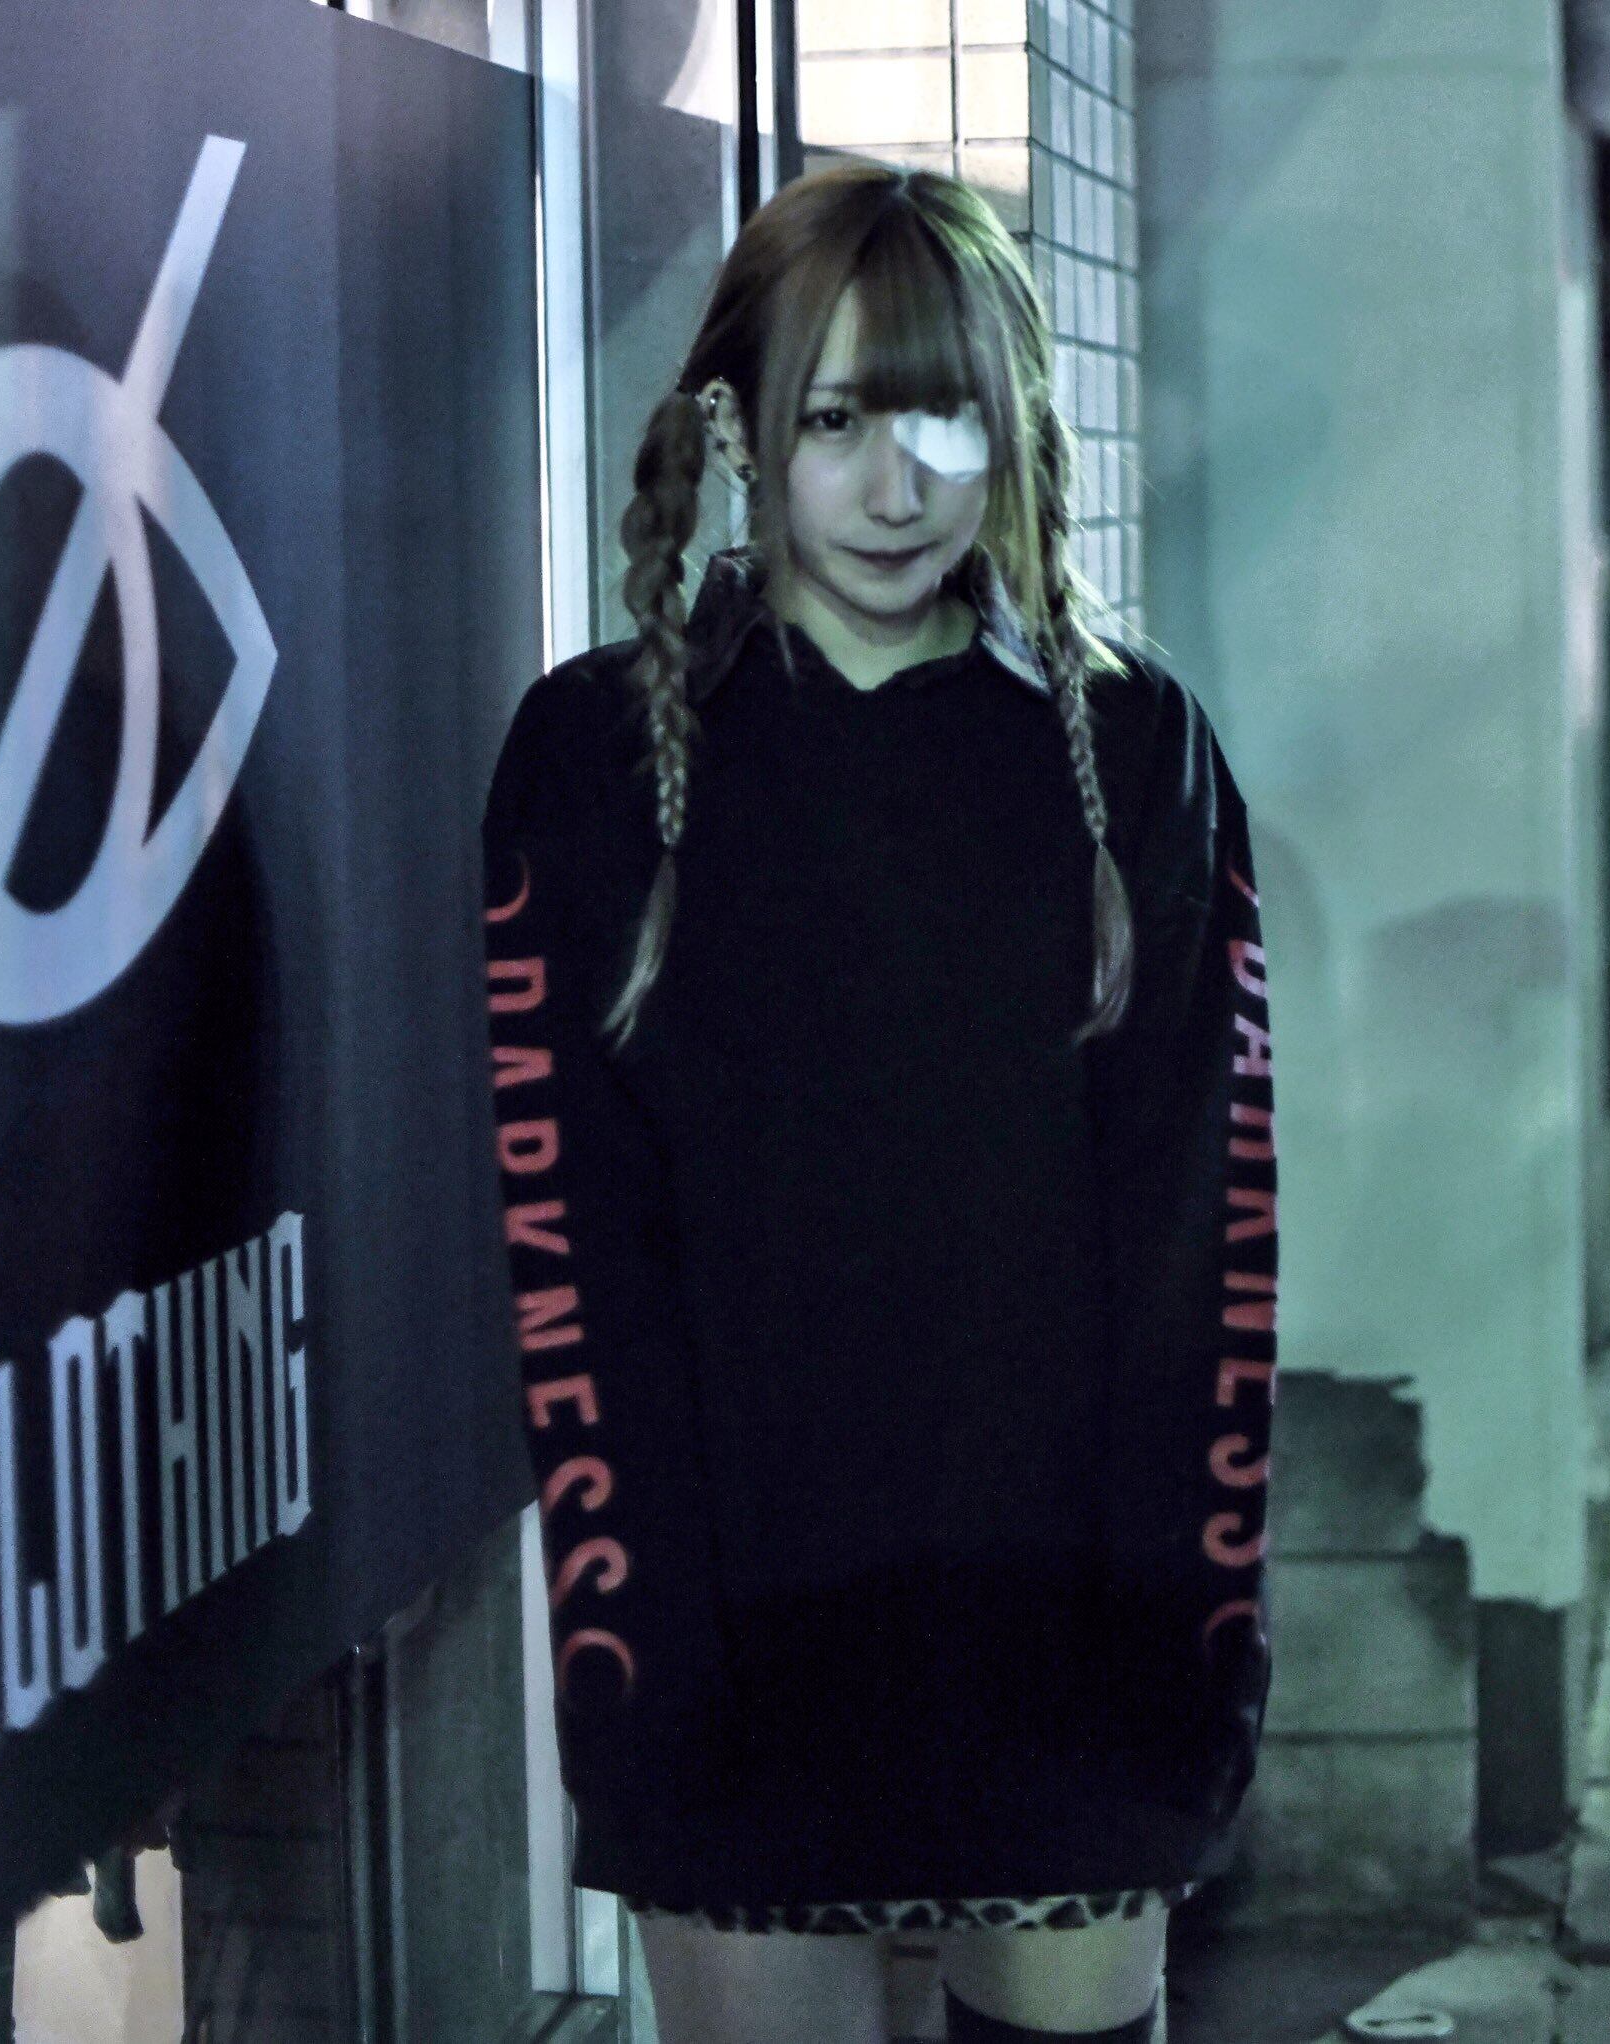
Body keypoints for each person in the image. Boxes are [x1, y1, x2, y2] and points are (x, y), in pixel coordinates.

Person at [481, 160, 1279, 2044]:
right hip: (733, 1662)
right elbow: (572, 1263)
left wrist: (1195, 1656)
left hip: (1069, 1660)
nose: (899, 482)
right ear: (738, 429)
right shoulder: (593, 763)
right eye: (837, 418)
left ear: (1015, 430)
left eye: (946, 415)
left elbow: (1210, 1251)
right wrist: (634, 1668)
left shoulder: (1134, 752)